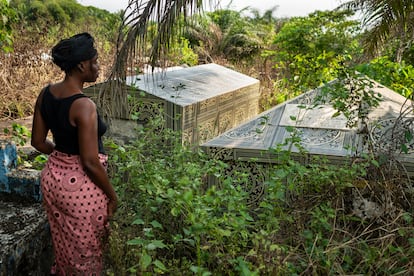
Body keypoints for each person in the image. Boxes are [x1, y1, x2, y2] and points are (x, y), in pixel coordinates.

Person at [31, 32, 118, 275]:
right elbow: (90, 162)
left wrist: (61, 156)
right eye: (95, 61)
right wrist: (113, 196)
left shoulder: (45, 93)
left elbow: (38, 142)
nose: (98, 67)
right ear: (82, 65)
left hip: (52, 181)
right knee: (87, 252)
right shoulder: (84, 106)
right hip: (81, 189)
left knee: (65, 246)